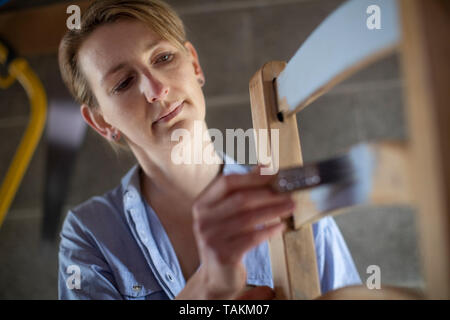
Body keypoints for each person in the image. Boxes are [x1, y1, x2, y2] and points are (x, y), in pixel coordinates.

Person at [57, 0, 361, 300]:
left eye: (163, 58)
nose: (156, 90)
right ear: (100, 121)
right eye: (123, 83)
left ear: (194, 64)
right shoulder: (89, 234)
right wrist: (209, 288)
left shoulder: (294, 202)